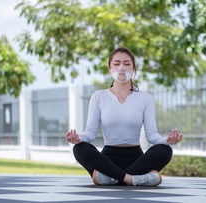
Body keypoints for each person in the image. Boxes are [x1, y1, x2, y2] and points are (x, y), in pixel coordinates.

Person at [65, 47, 183, 186]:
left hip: (136, 158)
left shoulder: (145, 98)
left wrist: (167, 140)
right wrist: (78, 138)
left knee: (165, 150)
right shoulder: (98, 97)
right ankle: (131, 179)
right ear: (110, 68)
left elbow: (152, 136)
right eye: (116, 64)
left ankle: (110, 177)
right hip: (108, 158)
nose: (121, 68)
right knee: (79, 148)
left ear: (133, 68)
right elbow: (90, 134)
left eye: (127, 64)